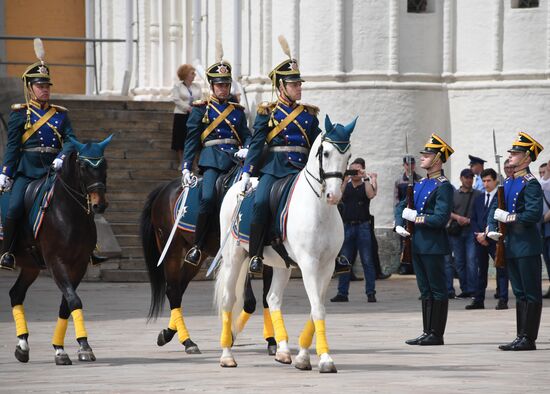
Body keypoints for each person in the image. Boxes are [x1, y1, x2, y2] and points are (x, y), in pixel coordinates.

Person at [240, 38, 321, 275]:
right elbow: (256, 145)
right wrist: (247, 171)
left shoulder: (309, 115)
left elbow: (317, 144)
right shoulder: (268, 112)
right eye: (294, 84)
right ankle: (255, 254)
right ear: (281, 87)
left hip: (302, 169)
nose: (299, 87)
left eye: (299, 83)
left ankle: (336, 253)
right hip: (274, 168)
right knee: (262, 202)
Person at [0, 40, 77, 270]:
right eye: (40, 85)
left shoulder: (60, 115)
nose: (45, 89)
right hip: (28, 172)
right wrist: (5, 173)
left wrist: (62, 157)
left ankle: (90, 248)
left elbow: (71, 140)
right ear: (30, 88)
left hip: (54, 172)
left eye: (47, 86)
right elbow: (13, 147)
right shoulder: (20, 115)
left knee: (78, 201)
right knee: (14, 207)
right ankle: (8, 253)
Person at [181, 57, 251, 266]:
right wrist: (186, 167)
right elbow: (192, 140)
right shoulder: (201, 109)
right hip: (212, 161)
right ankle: (198, 245)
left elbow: (246, 134)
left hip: (235, 161)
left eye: (226, 84)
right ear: (211, 86)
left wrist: (246, 147)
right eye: (220, 85)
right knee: (208, 197)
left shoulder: (237, 111)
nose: (223, 88)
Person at [395, 133, 454, 346]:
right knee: (425, 290)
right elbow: (401, 206)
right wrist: (399, 223)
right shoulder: (419, 184)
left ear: (437, 160)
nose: (422, 158)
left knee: (437, 289)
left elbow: (440, 218)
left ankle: (436, 334)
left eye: (426, 155)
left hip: (433, 245)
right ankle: (426, 331)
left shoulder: (443, 186)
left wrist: (417, 218)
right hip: (417, 244)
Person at [487, 132, 544, 351]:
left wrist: (508, 218)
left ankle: (529, 338)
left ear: (527, 158)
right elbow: (495, 208)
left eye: (516, 153)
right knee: (519, 293)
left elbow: (532, 214)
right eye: (511, 153)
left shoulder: (530, 184)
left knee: (530, 292)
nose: (511, 156)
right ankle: (521, 335)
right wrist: (492, 227)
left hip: (526, 245)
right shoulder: (509, 182)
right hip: (510, 244)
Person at [330, 158, 378, 303]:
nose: (354, 173)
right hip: (347, 226)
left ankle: (371, 292)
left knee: (367, 261)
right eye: (352, 170)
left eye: (357, 170)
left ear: (363, 169)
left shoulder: (366, 184)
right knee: (344, 261)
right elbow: (338, 198)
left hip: (363, 226)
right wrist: (345, 179)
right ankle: (342, 293)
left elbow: (371, 195)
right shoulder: (347, 185)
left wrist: (366, 178)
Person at [466, 168, 509, 310]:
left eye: (489, 180)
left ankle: (502, 298)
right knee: (481, 270)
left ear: (495, 180)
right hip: (479, 239)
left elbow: (498, 218)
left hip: (494, 239)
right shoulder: (478, 198)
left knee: (501, 268)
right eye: (483, 181)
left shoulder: (500, 197)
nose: (486, 184)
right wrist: (478, 235)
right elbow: (473, 219)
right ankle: (479, 299)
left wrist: (487, 234)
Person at [447, 168, 482, 298]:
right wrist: (458, 218)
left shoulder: (478, 194)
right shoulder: (454, 194)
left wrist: (469, 220)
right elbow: (448, 211)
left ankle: (473, 289)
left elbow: (480, 213)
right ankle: (465, 289)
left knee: (472, 261)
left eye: (471, 178)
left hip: (471, 232)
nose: (469, 180)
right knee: (460, 262)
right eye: (466, 177)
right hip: (456, 232)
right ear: (461, 178)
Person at [394, 155, 421, 275]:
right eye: (407, 164)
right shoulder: (399, 181)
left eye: (412, 164)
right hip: (403, 214)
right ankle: (404, 264)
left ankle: (416, 264)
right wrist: (397, 218)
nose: (410, 167)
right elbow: (396, 200)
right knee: (404, 241)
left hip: (415, 214)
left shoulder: (420, 180)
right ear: (404, 165)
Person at [170, 64, 202, 163]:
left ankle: (194, 163)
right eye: (192, 73)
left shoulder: (197, 86)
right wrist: (188, 108)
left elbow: (200, 98)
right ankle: (182, 162)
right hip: (181, 115)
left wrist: (197, 108)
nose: (194, 75)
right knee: (180, 138)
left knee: (195, 138)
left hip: (194, 115)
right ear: (185, 74)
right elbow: (176, 99)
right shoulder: (177, 86)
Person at [539, 159, 550, 299]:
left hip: (547, 223)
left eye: (544, 171)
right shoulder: (541, 184)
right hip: (541, 226)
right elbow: (543, 184)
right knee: (547, 258)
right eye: (540, 172)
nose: (542, 174)